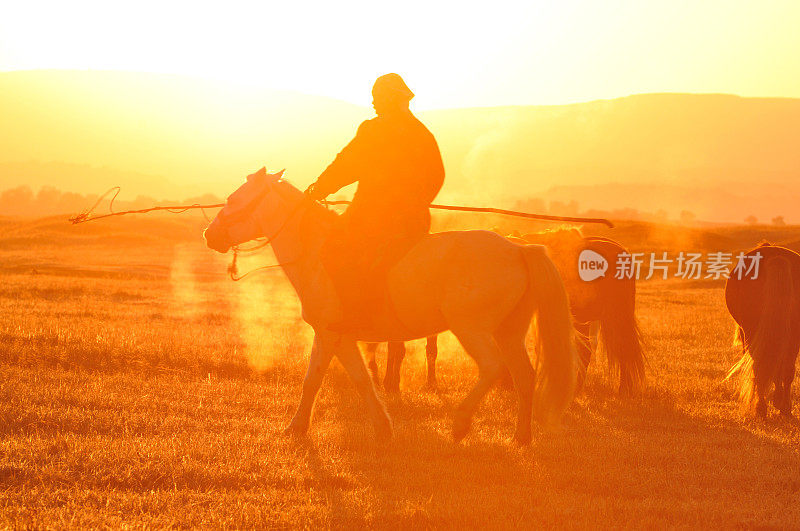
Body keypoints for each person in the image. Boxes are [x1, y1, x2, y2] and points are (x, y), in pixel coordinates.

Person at [305, 73, 445, 332]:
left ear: (391, 99)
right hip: (413, 223)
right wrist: (416, 205)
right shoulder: (422, 133)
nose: (373, 103)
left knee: (333, 250)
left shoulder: (374, 129)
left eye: (377, 98)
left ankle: (352, 318)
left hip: (369, 219)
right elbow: (437, 175)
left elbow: (347, 164)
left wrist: (319, 188)